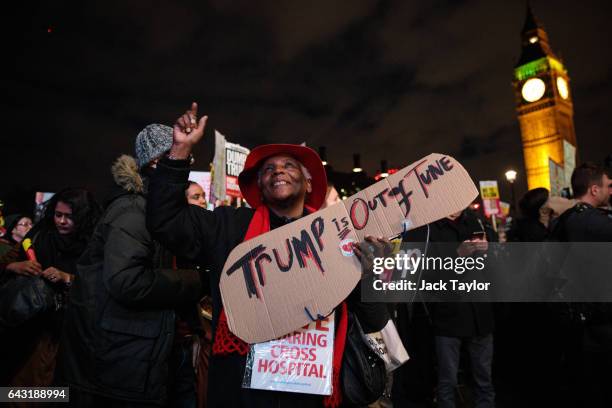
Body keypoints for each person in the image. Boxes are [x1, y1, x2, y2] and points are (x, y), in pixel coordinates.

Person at [146, 103, 390, 407]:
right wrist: (179, 153)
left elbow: (375, 319)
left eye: (288, 166)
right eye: (268, 169)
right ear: (258, 185)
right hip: (242, 390)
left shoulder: (337, 237)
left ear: (309, 182)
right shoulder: (229, 227)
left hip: (309, 391)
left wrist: (369, 272)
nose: (278, 171)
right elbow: (165, 222)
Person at [57, 124, 205, 407]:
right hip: (122, 363)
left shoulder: (157, 210)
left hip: (146, 353)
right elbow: (127, 281)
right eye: (183, 155)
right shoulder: (133, 211)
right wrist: (195, 280)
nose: (189, 165)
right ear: (156, 161)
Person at [0, 188, 101, 389]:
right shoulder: (40, 234)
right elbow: (6, 262)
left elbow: (101, 285)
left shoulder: (95, 244)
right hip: (26, 326)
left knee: (52, 389)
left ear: (83, 217)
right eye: (58, 214)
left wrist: (68, 278)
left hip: (66, 333)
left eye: (69, 217)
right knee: (17, 387)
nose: (61, 221)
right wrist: (14, 266)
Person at [548, 162, 612, 408]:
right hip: (597, 320)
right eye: (608, 186)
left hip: (574, 316)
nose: (610, 190)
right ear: (594, 190)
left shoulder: (564, 221)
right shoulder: (593, 222)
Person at [426, 209, 494, 408]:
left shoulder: (475, 221)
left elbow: (490, 268)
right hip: (448, 316)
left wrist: (488, 249)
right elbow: (429, 276)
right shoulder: (431, 229)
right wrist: (459, 255)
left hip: (480, 313)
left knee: (484, 379)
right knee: (447, 381)